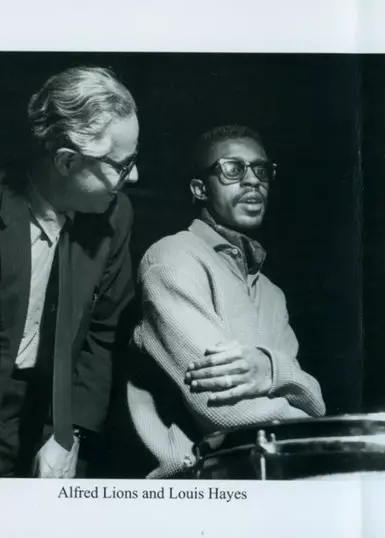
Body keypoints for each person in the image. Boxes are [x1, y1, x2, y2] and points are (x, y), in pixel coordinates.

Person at [0, 66, 139, 478]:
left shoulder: (115, 215)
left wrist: (68, 434)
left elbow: (103, 336)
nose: (134, 176)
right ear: (67, 161)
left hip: (54, 415)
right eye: (122, 165)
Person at [127, 124, 325, 478]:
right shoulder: (173, 259)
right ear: (200, 189)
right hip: (188, 490)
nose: (252, 181)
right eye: (233, 169)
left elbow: (317, 404)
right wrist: (304, 410)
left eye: (261, 170)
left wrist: (269, 370)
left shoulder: (272, 293)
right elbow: (225, 412)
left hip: (268, 479)